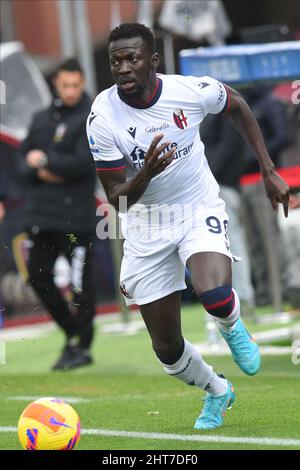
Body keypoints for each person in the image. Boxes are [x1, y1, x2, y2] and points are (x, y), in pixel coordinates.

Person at [87, 23, 289, 430]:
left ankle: (231, 326)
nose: (123, 68)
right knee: (166, 349)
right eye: (115, 61)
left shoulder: (190, 90)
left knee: (213, 291)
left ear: (154, 61)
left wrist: (269, 170)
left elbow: (237, 105)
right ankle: (217, 390)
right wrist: (145, 172)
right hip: (145, 222)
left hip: (197, 206)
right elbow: (118, 198)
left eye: (132, 58)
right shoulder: (102, 117)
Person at [18, 58, 96, 370]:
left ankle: (82, 346)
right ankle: (73, 333)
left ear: (82, 83)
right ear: (56, 84)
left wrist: (44, 161)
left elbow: (82, 165)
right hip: (42, 217)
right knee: (37, 275)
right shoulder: (40, 119)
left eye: (76, 85)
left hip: (76, 217)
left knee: (80, 286)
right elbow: (23, 163)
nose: (71, 91)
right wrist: (43, 167)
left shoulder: (92, 117)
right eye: (66, 85)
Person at [201, 114, 256, 316]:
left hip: (221, 185)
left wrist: (206, 176)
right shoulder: (207, 111)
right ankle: (238, 296)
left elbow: (228, 147)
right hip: (214, 185)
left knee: (231, 242)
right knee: (224, 243)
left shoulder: (222, 111)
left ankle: (243, 296)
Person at [240, 86, 289, 305]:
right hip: (242, 180)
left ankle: (283, 287)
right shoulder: (242, 103)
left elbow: (282, 136)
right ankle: (264, 292)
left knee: (270, 237)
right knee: (253, 240)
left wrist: (257, 157)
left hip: (264, 179)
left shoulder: (268, 102)